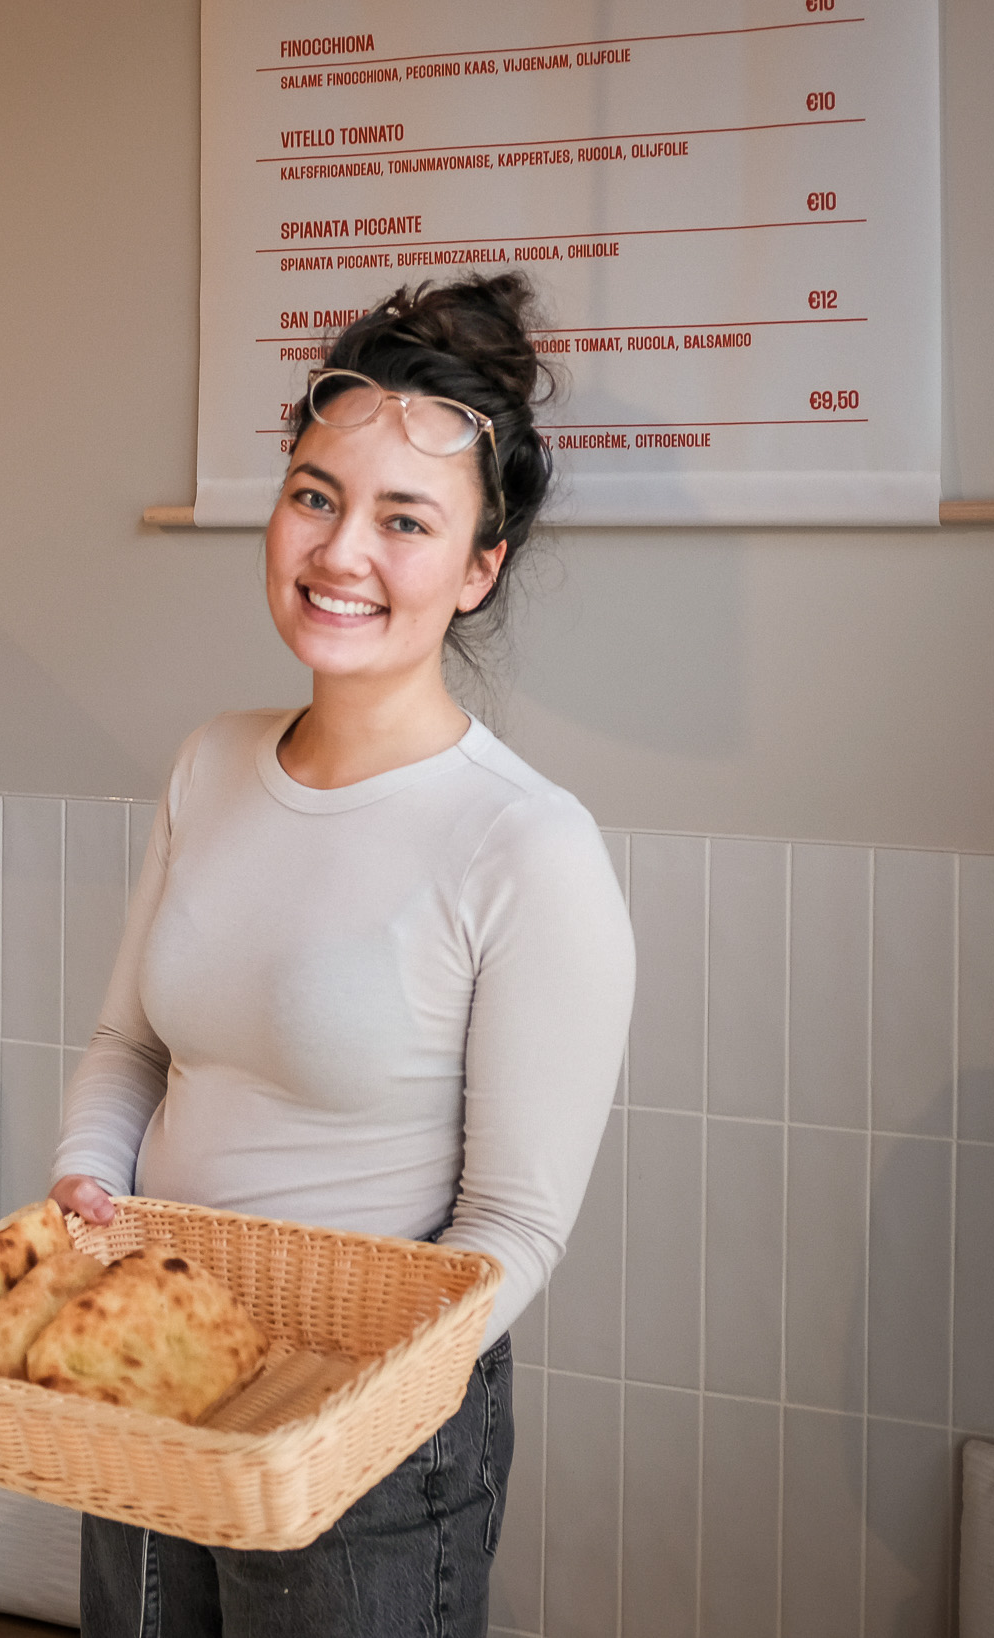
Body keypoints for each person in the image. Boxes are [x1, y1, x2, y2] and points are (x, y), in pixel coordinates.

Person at [48, 273, 636, 1638]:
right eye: (315, 495)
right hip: (151, 1367)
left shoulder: (529, 848)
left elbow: (515, 1224)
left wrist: (340, 1397)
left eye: (404, 519)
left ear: (480, 565)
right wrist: (87, 1183)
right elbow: (130, 1047)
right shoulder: (212, 761)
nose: (340, 550)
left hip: (368, 1441)